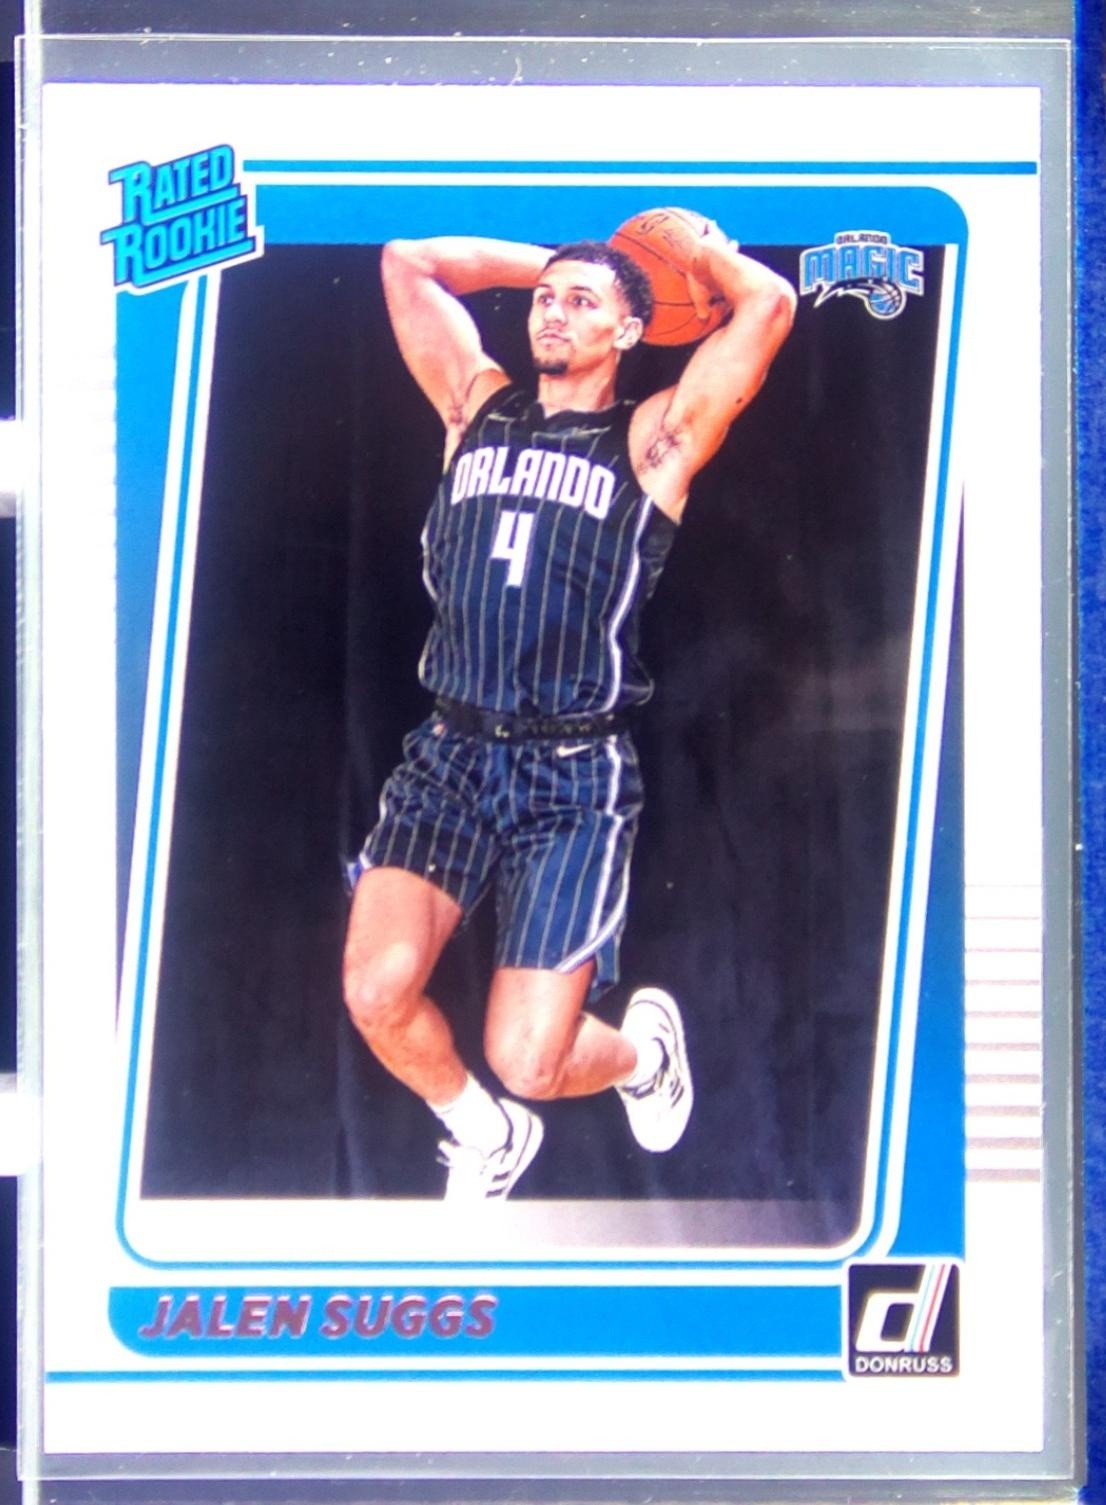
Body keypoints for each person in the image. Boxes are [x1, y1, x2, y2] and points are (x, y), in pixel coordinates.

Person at [343, 218, 795, 1200]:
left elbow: (765, 304)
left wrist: (687, 262)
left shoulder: (652, 441)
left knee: (530, 1059)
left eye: (582, 302)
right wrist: (560, 263)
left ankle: (643, 1055)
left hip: (570, 776)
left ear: (630, 330)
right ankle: (484, 1131)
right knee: (375, 991)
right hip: (450, 752)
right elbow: (406, 260)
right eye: (545, 299)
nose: (551, 311)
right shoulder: (473, 404)